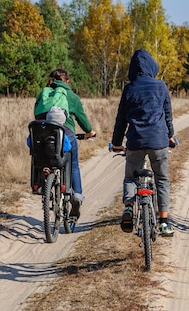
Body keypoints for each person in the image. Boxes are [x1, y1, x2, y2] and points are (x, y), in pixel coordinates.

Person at [111, 49, 177, 237]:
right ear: (152, 67)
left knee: (131, 177)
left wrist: (116, 143)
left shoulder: (129, 88)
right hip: (159, 140)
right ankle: (164, 222)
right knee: (162, 178)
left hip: (135, 141)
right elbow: (168, 116)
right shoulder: (161, 86)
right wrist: (170, 136)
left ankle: (129, 208)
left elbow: (121, 119)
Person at [34, 68, 96, 218]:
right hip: (65, 134)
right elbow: (82, 119)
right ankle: (77, 196)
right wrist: (90, 132)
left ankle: (42, 182)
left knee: (43, 155)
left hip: (42, 135)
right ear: (67, 81)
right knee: (73, 164)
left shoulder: (44, 93)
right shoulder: (71, 96)